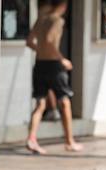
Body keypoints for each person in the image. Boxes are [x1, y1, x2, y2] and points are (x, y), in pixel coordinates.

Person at [25, 0, 82, 154]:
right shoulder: (57, 21)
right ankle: (69, 141)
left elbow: (29, 42)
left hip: (39, 64)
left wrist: (41, 49)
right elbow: (50, 40)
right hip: (54, 65)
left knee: (40, 104)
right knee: (64, 101)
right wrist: (61, 59)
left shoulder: (40, 20)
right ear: (62, 5)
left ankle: (31, 138)